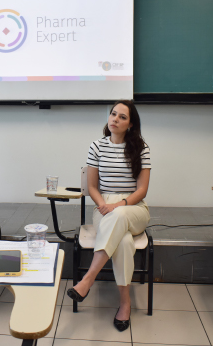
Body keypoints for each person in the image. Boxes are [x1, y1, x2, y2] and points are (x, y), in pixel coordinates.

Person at [66, 99, 151, 332]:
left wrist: (120, 205)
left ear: (131, 124)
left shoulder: (142, 149)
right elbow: (93, 187)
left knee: (121, 215)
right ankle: (125, 303)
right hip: (104, 206)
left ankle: (88, 279)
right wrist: (105, 204)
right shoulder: (97, 146)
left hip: (134, 208)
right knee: (122, 242)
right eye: (113, 114)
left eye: (122, 117)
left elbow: (142, 189)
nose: (115, 119)